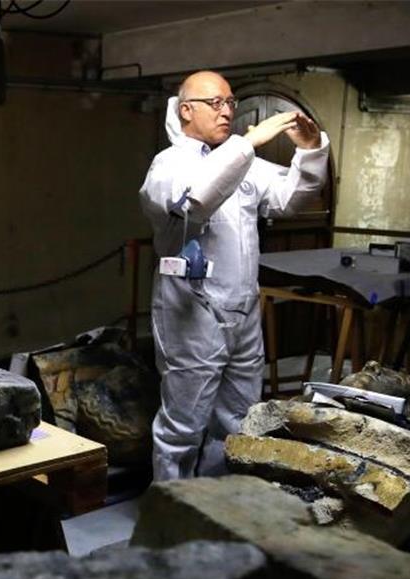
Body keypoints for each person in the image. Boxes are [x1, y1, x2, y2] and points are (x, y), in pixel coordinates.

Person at [139, 70, 330, 481]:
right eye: (216, 103)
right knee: (184, 424)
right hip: (193, 313)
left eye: (230, 103)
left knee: (240, 418)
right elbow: (196, 199)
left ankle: (220, 505)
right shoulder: (169, 165)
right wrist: (248, 143)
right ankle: (172, 513)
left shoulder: (244, 161)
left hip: (242, 308)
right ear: (186, 110)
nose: (227, 112)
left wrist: (311, 152)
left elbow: (288, 200)